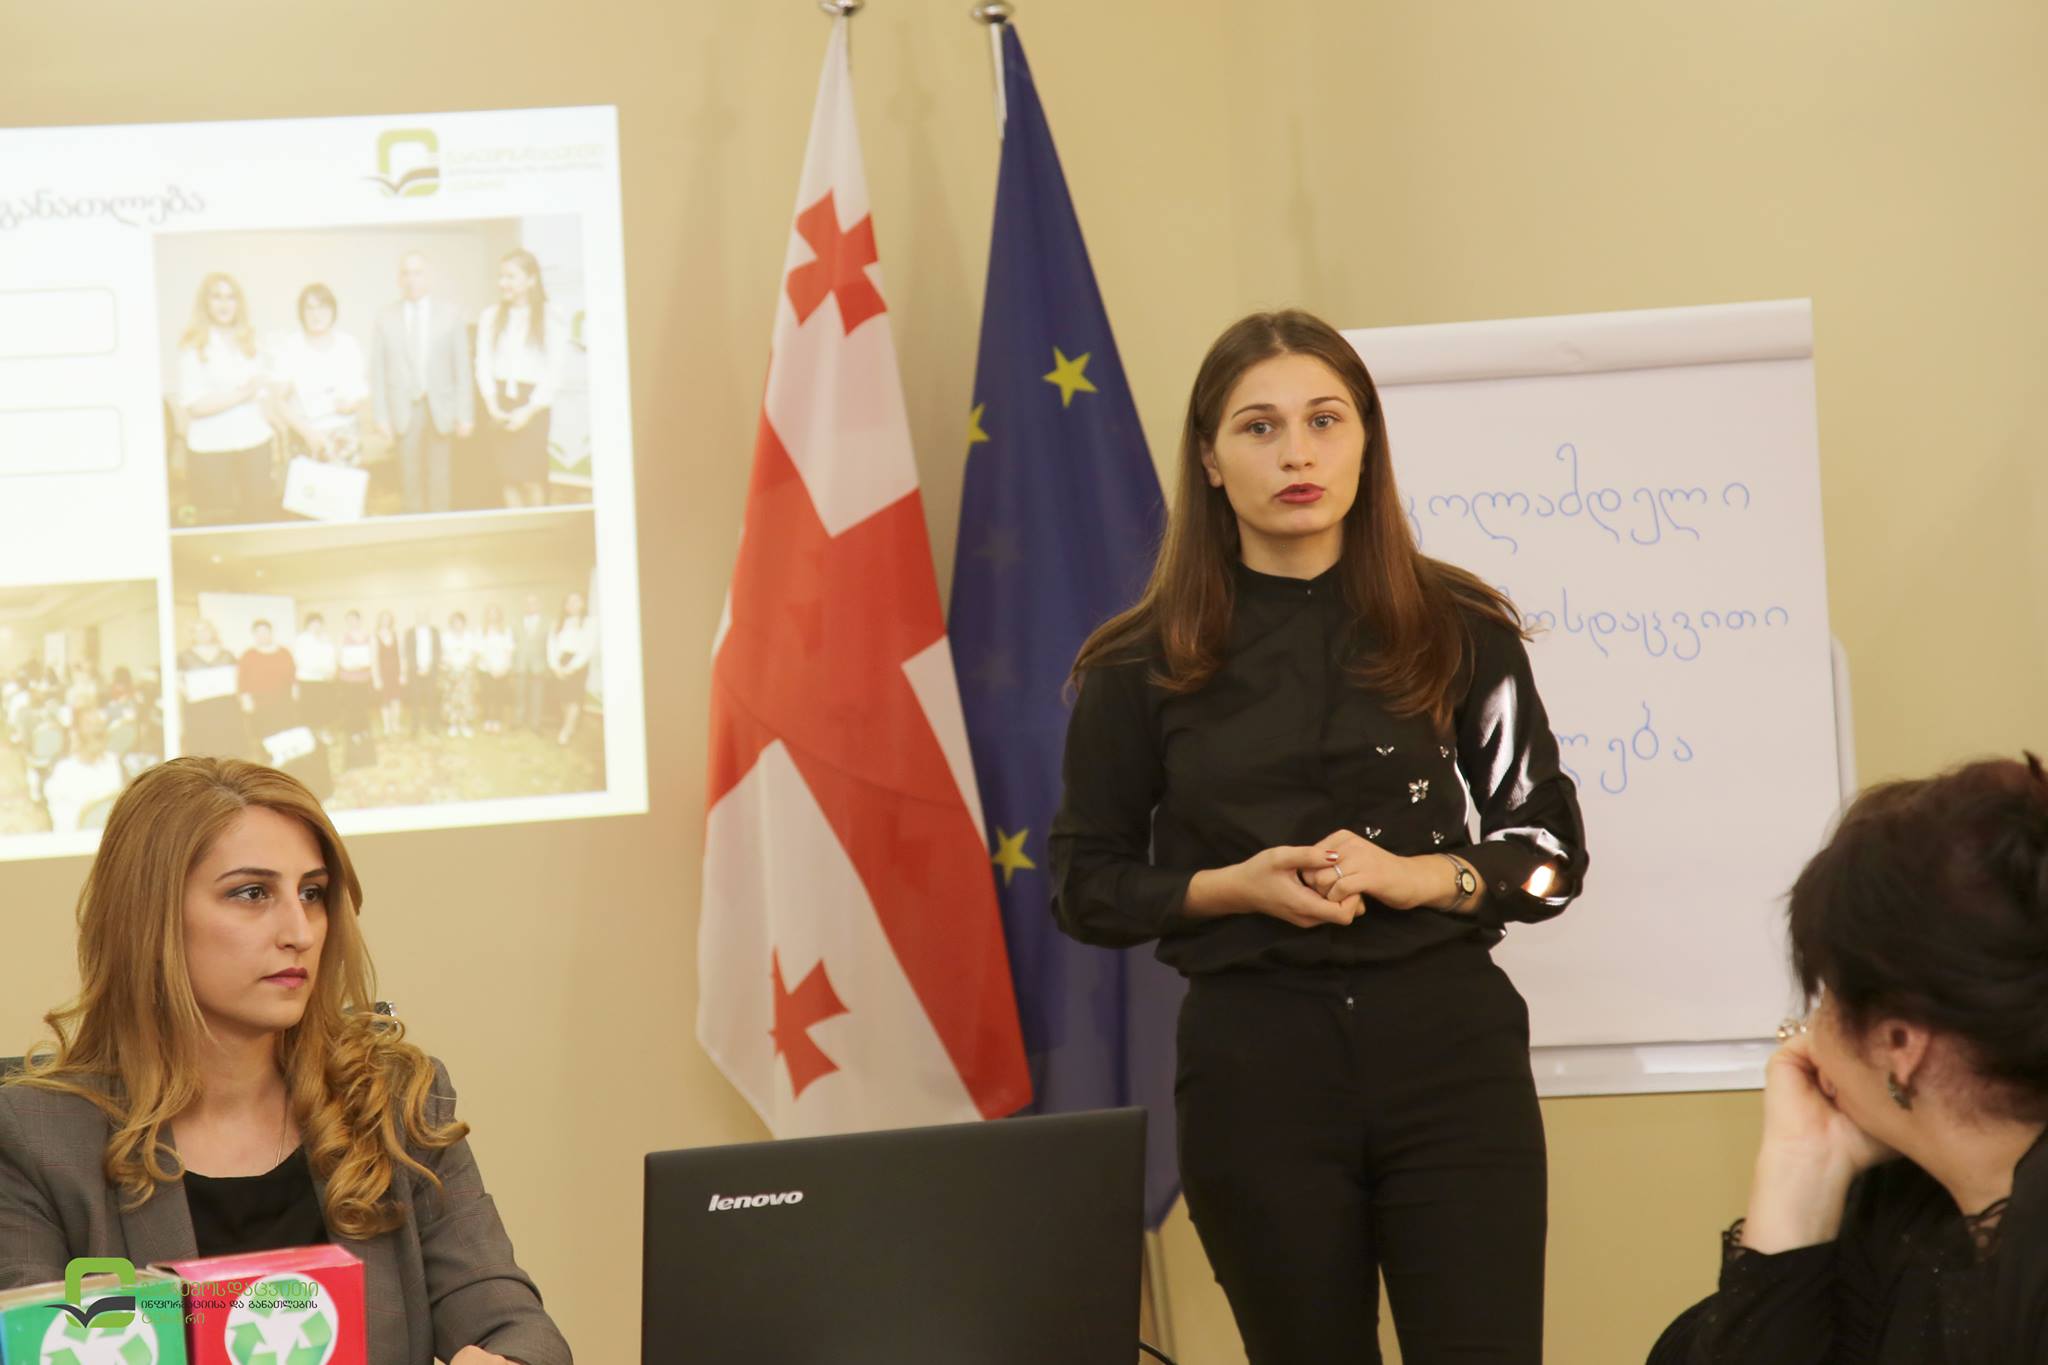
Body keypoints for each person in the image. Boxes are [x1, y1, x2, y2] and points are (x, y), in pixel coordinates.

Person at [1049, 310, 1586, 1365]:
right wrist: (1230, 887)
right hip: (1256, 1070)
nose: (1296, 453)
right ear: (1209, 459)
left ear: (1365, 440)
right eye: (1259, 427)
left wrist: (1422, 875)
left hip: (1451, 1060)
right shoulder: (1138, 660)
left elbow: (1550, 855)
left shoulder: (1458, 625)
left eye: (1323, 420)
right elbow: (1084, 884)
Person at [0, 758, 571, 1365]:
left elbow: (512, 1322)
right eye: (252, 893)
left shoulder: (393, 1098)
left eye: (312, 893)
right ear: (150, 917)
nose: (301, 931)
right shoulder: (35, 1137)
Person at [1649, 754, 2048, 1364]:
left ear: (1899, 1045)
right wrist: (1799, 1170)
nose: (1804, 1037)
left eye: (1826, 999)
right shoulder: (1907, 1210)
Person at [370, 252, 475, 515]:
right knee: (408, 480)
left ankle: (440, 531)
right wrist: (381, 416)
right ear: (399, 279)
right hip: (404, 410)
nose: (412, 280)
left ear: (429, 277)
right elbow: (377, 372)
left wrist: (465, 414)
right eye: (406, 273)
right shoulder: (385, 317)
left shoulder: (450, 314)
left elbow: (462, 369)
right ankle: (414, 530)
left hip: (441, 408)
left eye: (418, 273)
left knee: (440, 478)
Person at [171, 272, 277, 525]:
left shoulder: (250, 341)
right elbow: (195, 406)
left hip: (255, 444)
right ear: (205, 303)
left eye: (231, 297)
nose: (224, 304)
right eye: (217, 297)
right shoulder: (193, 345)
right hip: (211, 449)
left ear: (239, 303)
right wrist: (242, 394)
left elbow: (262, 394)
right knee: (217, 527)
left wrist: (276, 435)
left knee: (259, 522)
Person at [476, 250, 569, 509]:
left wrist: (527, 412)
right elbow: (483, 363)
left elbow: (555, 371)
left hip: (533, 405)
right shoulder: (491, 316)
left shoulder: (551, 315)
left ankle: (538, 530)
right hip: (500, 402)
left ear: (531, 279)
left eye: (510, 277)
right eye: (501, 276)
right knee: (508, 480)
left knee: (531, 480)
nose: (502, 283)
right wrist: (493, 406)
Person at [273, 284, 370, 465]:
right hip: (305, 436)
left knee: (345, 484)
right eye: (309, 308)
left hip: (344, 435)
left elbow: (360, 393)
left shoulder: (348, 345)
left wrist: (351, 405)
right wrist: (307, 433)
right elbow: (278, 401)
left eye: (322, 307)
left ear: (333, 311)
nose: (316, 314)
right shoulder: (290, 347)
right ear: (301, 313)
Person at [40, 708, 125, 832]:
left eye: (100, 726)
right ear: (76, 735)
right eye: (91, 726)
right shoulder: (63, 773)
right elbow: (62, 825)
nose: (98, 730)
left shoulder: (114, 763)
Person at [177, 618, 246, 759]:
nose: (202, 634)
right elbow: (177, 680)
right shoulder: (183, 657)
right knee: (203, 750)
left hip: (225, 707)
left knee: (228, 747)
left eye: (205, 630)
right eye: (197, 631)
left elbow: (237, 677)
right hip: (199, 708)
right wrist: (188, 693)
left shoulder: (227, 654)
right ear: (192, 635)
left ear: (212, 632)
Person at [235, 620, 298, 755]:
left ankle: (285, 759)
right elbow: (242, 681)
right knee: (265, 735)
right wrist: (246, 701)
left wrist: (295, 693)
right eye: (259, 633)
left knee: (285, 733)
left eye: (266, 632)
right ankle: (267, 761)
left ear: (271, 633)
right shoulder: (248, 655)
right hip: (260, 704)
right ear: (254, 635)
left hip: (283, 701)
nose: (263, 635)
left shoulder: (284, 652)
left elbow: (293, 676)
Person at [545, 593, 595, 747]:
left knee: (573, 699)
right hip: (560, 661)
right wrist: (555, 666)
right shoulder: (558, 623)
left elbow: (588, 648)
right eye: (569, 602)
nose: (572, 604)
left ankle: (566, 730)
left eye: (576, 601)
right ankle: (569, 725)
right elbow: (551, 645)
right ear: (565, 606)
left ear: (582, 604)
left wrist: (571, 668)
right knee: (563, 698)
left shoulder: (589, 623)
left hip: (577, 663)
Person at [336, 610, 376, 765]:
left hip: (363, 678)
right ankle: (353, 734)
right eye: (349, 620)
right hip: (348, 678)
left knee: (362, 708)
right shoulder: (342, 637)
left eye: (355, 619)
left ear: (359, 621)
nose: (352, 622)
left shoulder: (368, 636)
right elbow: (339, 658)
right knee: (351, 708)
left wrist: (366, 665)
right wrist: (347, 665)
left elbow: (372, 657)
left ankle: (363, 734)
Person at [291, 613, 338, 743]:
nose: (316, 627)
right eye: (313, 624)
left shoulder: (326, 639)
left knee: (324, 709)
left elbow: (332, 657)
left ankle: (324, 733)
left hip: (324, 681)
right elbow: (301, 661)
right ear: (307, 626)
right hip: (307, 680)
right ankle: (310, 737)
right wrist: (322, 669)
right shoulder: (301, 640)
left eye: (319, 624)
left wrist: (332, 671)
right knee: (310, 711)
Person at [513, 594, 550, 734]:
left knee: (537, 696)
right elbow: (511, 644)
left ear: (540, 605)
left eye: (534, 603)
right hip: (520, 665)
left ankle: (535, 723)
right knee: (519, 695)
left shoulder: (548, 622)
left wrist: (547, 665)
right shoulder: (516, 622)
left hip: (538, 666)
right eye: (527, 603)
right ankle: (518, 720)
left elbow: (550, 645)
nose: (530, 606)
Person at [441, 611, 481, 739]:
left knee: (466, 699)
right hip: (451, 672)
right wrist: (451, 667)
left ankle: (464, 725)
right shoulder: (446, 637)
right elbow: (442, 655)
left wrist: (466, 667)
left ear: (464, 623)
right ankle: (453, 724)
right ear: (451, 624)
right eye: (454, 623)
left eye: (459, 622)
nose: (457, 625)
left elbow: (475, 654)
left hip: (466, 672)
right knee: (452, 700)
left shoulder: (470, 637)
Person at [477, 604, 516, 735]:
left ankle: (497, 720)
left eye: (495, 614)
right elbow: (481, 652)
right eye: (490, 614)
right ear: (487, 616)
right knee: (487, 695)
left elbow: (509, 651)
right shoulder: (481, 631)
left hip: (502, 670)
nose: (493, 617)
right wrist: (491, 668)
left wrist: (504, 667)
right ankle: (487, 720)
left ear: (499, 616)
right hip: (486, 669)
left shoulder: (506, 631)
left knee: (499, 696)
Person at [403, 610, 442, 736]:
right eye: (420, 616)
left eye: (424, 616)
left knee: (431, 700)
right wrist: (417, 667)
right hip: (415, 672)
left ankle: (432, 726)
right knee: (415, 700)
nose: (422, 619)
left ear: (428, 618)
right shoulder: (410, 632)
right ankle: (415, 727)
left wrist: (430, 667)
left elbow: (438, 651)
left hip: (431, 671)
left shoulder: (435, 632)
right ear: (416, 618)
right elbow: (408, 652)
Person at [372, 609, 406, 737]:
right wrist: (376, 678)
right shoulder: (375, 636)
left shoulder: (397, 635)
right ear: (380, 620)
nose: (385, 621)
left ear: (391, 620)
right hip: (383, 674)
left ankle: (395, 724)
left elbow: (402, 656)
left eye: (388, 618)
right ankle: (387, 726)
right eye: (383, 618)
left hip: (396, 673)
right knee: (385, 700)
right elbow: (374, 658)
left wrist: (403, 673)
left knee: (396, 700)